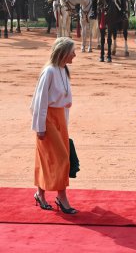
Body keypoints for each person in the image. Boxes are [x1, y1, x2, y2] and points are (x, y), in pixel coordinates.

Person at [30, 37, 77, 214]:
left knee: (48, 157)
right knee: (62, 158)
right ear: (64, 53)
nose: (75, 54)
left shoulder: (64, 70)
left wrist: (64, 122)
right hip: (47, 119)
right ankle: (62, 197)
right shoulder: (49, 71)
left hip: (59, 119)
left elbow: (65, 100)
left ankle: (40, 194)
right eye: (72, 51)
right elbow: (40, 102)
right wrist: (40, 127)